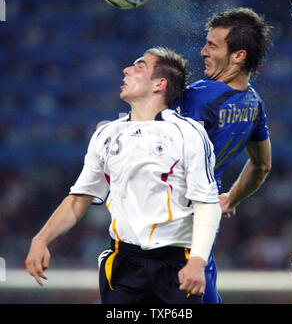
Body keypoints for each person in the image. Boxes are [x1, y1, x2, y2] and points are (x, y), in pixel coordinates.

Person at [25, 47, 222, 304]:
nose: (126, 70)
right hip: (123, 263)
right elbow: (78, 199)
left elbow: (207, 204)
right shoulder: (107, 134)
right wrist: (41, 239)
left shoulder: (188, 133)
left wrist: (198, 259)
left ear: (160, 84)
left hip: (176, 264)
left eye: (139, 66)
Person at [174, 7, 273, 303]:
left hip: (169, 225)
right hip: (204, 224)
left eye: (212, 45)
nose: (203, 51)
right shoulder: (254, 103)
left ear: (238, 56)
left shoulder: (199, 95)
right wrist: (229, 198)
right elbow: (262, 165)